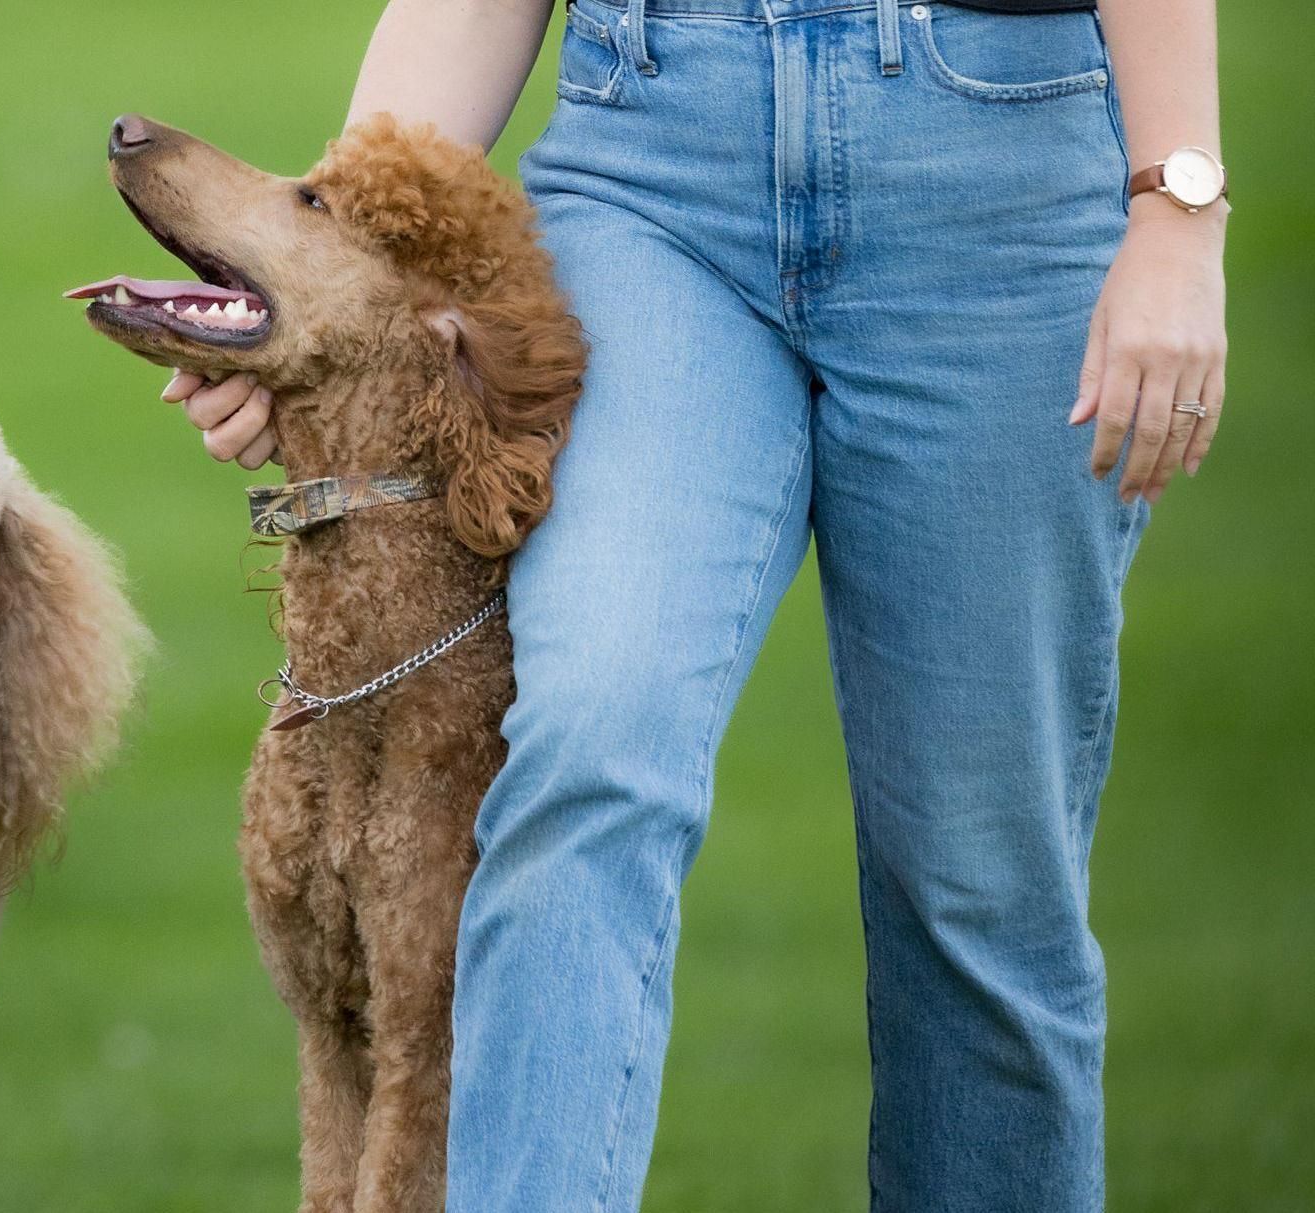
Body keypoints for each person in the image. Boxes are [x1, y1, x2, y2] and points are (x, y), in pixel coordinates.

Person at [161, 0, 1227, 1207]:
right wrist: (322, 280)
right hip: (656, 160)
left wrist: (1174, 207)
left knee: (977, 885)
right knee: (583, 752)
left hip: (992, 162)